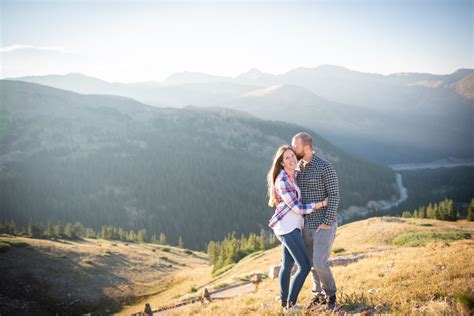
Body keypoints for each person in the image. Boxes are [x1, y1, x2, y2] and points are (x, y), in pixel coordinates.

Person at [267, 145, 328, 312]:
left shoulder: (292, 176)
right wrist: (321, 204)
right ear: (281, 163)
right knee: (305, 266)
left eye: (293, 155)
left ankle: (284, 304)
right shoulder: (282, 181)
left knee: (287, 264)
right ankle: (291, 306)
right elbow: (297, 208)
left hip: (291, 227)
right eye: (287, 157)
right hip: (287, 229)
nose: (292, 159)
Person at [292, 132, 340, 310]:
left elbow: (334, 195)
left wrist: (327, 221)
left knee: (320, 262)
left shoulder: (324, 167)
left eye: (295, 146)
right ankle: (317, 296)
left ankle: (331, 295)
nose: (293, 149)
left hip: (323, 224)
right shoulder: (297, 168)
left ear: (306, 147)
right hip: (305, 225)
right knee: (312, 264)